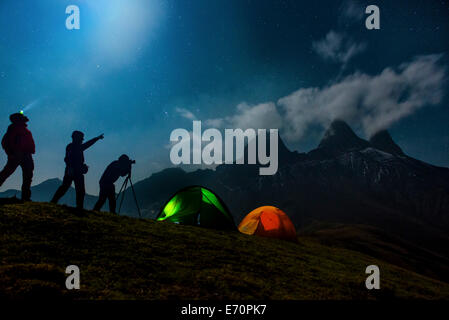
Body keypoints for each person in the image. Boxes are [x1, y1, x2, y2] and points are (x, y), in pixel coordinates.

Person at [51, 130, 104, 209]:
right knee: (78, 190)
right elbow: (87, 145)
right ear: (77, 138)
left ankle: (54, 201)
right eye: (81, 139)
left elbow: (67, 158)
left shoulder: (71, 146)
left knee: (68, 188)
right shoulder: (75, 147)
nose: (82, 141)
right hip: (75, 170)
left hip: (73, 170)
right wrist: (97, 138)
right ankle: (79, 207)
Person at [0, 112, 35, 201]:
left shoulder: (23, 129)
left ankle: (26, 197)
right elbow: (5, 142)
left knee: (27, 175)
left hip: (25, 154)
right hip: (18, 154)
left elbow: (4, 142)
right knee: (7, 173)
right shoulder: (14, 128)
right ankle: (25, 197)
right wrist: (11, 153)